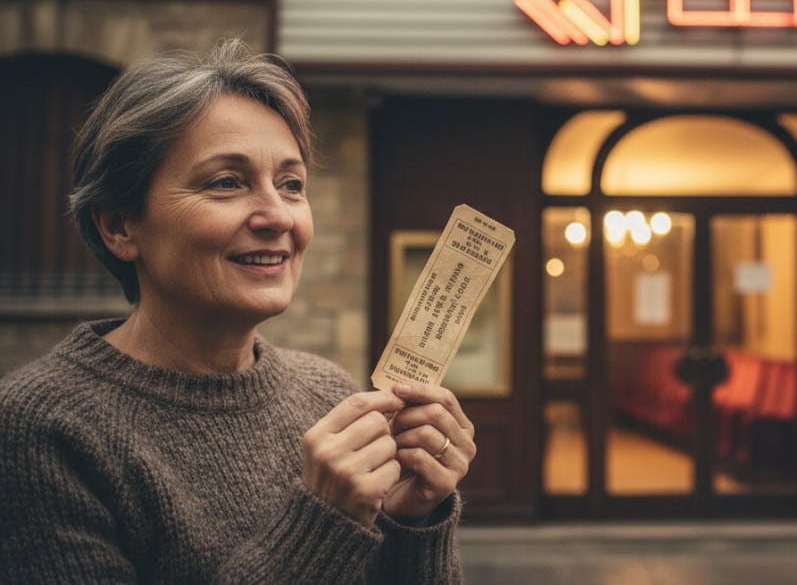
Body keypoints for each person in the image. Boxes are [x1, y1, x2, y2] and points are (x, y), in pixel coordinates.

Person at [0, 39, 475, 583]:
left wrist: (411, 520)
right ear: (119, 226)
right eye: (227, 182)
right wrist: (323, 523)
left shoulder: (326, 392)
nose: (277, 215)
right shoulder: (40, 428)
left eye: (292, 185)